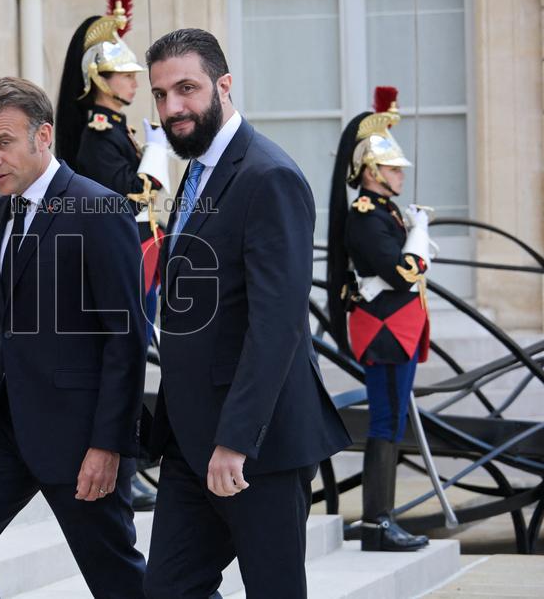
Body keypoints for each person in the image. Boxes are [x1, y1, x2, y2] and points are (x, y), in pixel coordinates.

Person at [142, 29, 351, 599]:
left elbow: (277, 325)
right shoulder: (198, 170)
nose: (172, 107)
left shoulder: (269, 176)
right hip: (190, 440)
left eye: (186, 88)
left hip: (257, 444)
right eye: (160, 94)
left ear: (224, 85)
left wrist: (236, 440)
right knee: (167, 590)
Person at [0, 77, 147, 598]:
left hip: (79, 435)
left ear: (43, 136)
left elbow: (126, 340)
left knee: (118, 581)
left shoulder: (99, 209)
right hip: (3, 428)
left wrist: (108, 444)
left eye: (3, 143)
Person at [54, 0, 171, 512]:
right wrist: (155, 156)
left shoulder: (117, 131)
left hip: (140, 254)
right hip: (122, 258)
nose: (134, 82)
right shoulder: (98, 135)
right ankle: (125, 461)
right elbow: (125, 195)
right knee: (125, 361)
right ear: (101, 79)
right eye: (124, 75)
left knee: (136, 358)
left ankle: (133, 461)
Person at [326, 86, 434, 552]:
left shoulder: (384, 212)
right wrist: (420, 238)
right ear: (371, 172)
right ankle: (376, 522)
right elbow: (402, 272)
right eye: (392, 168)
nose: (400, 174)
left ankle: (380, 518)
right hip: (386, 332)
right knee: (386, 423)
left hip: (397, 329)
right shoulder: (367, 216)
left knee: (391, 421)